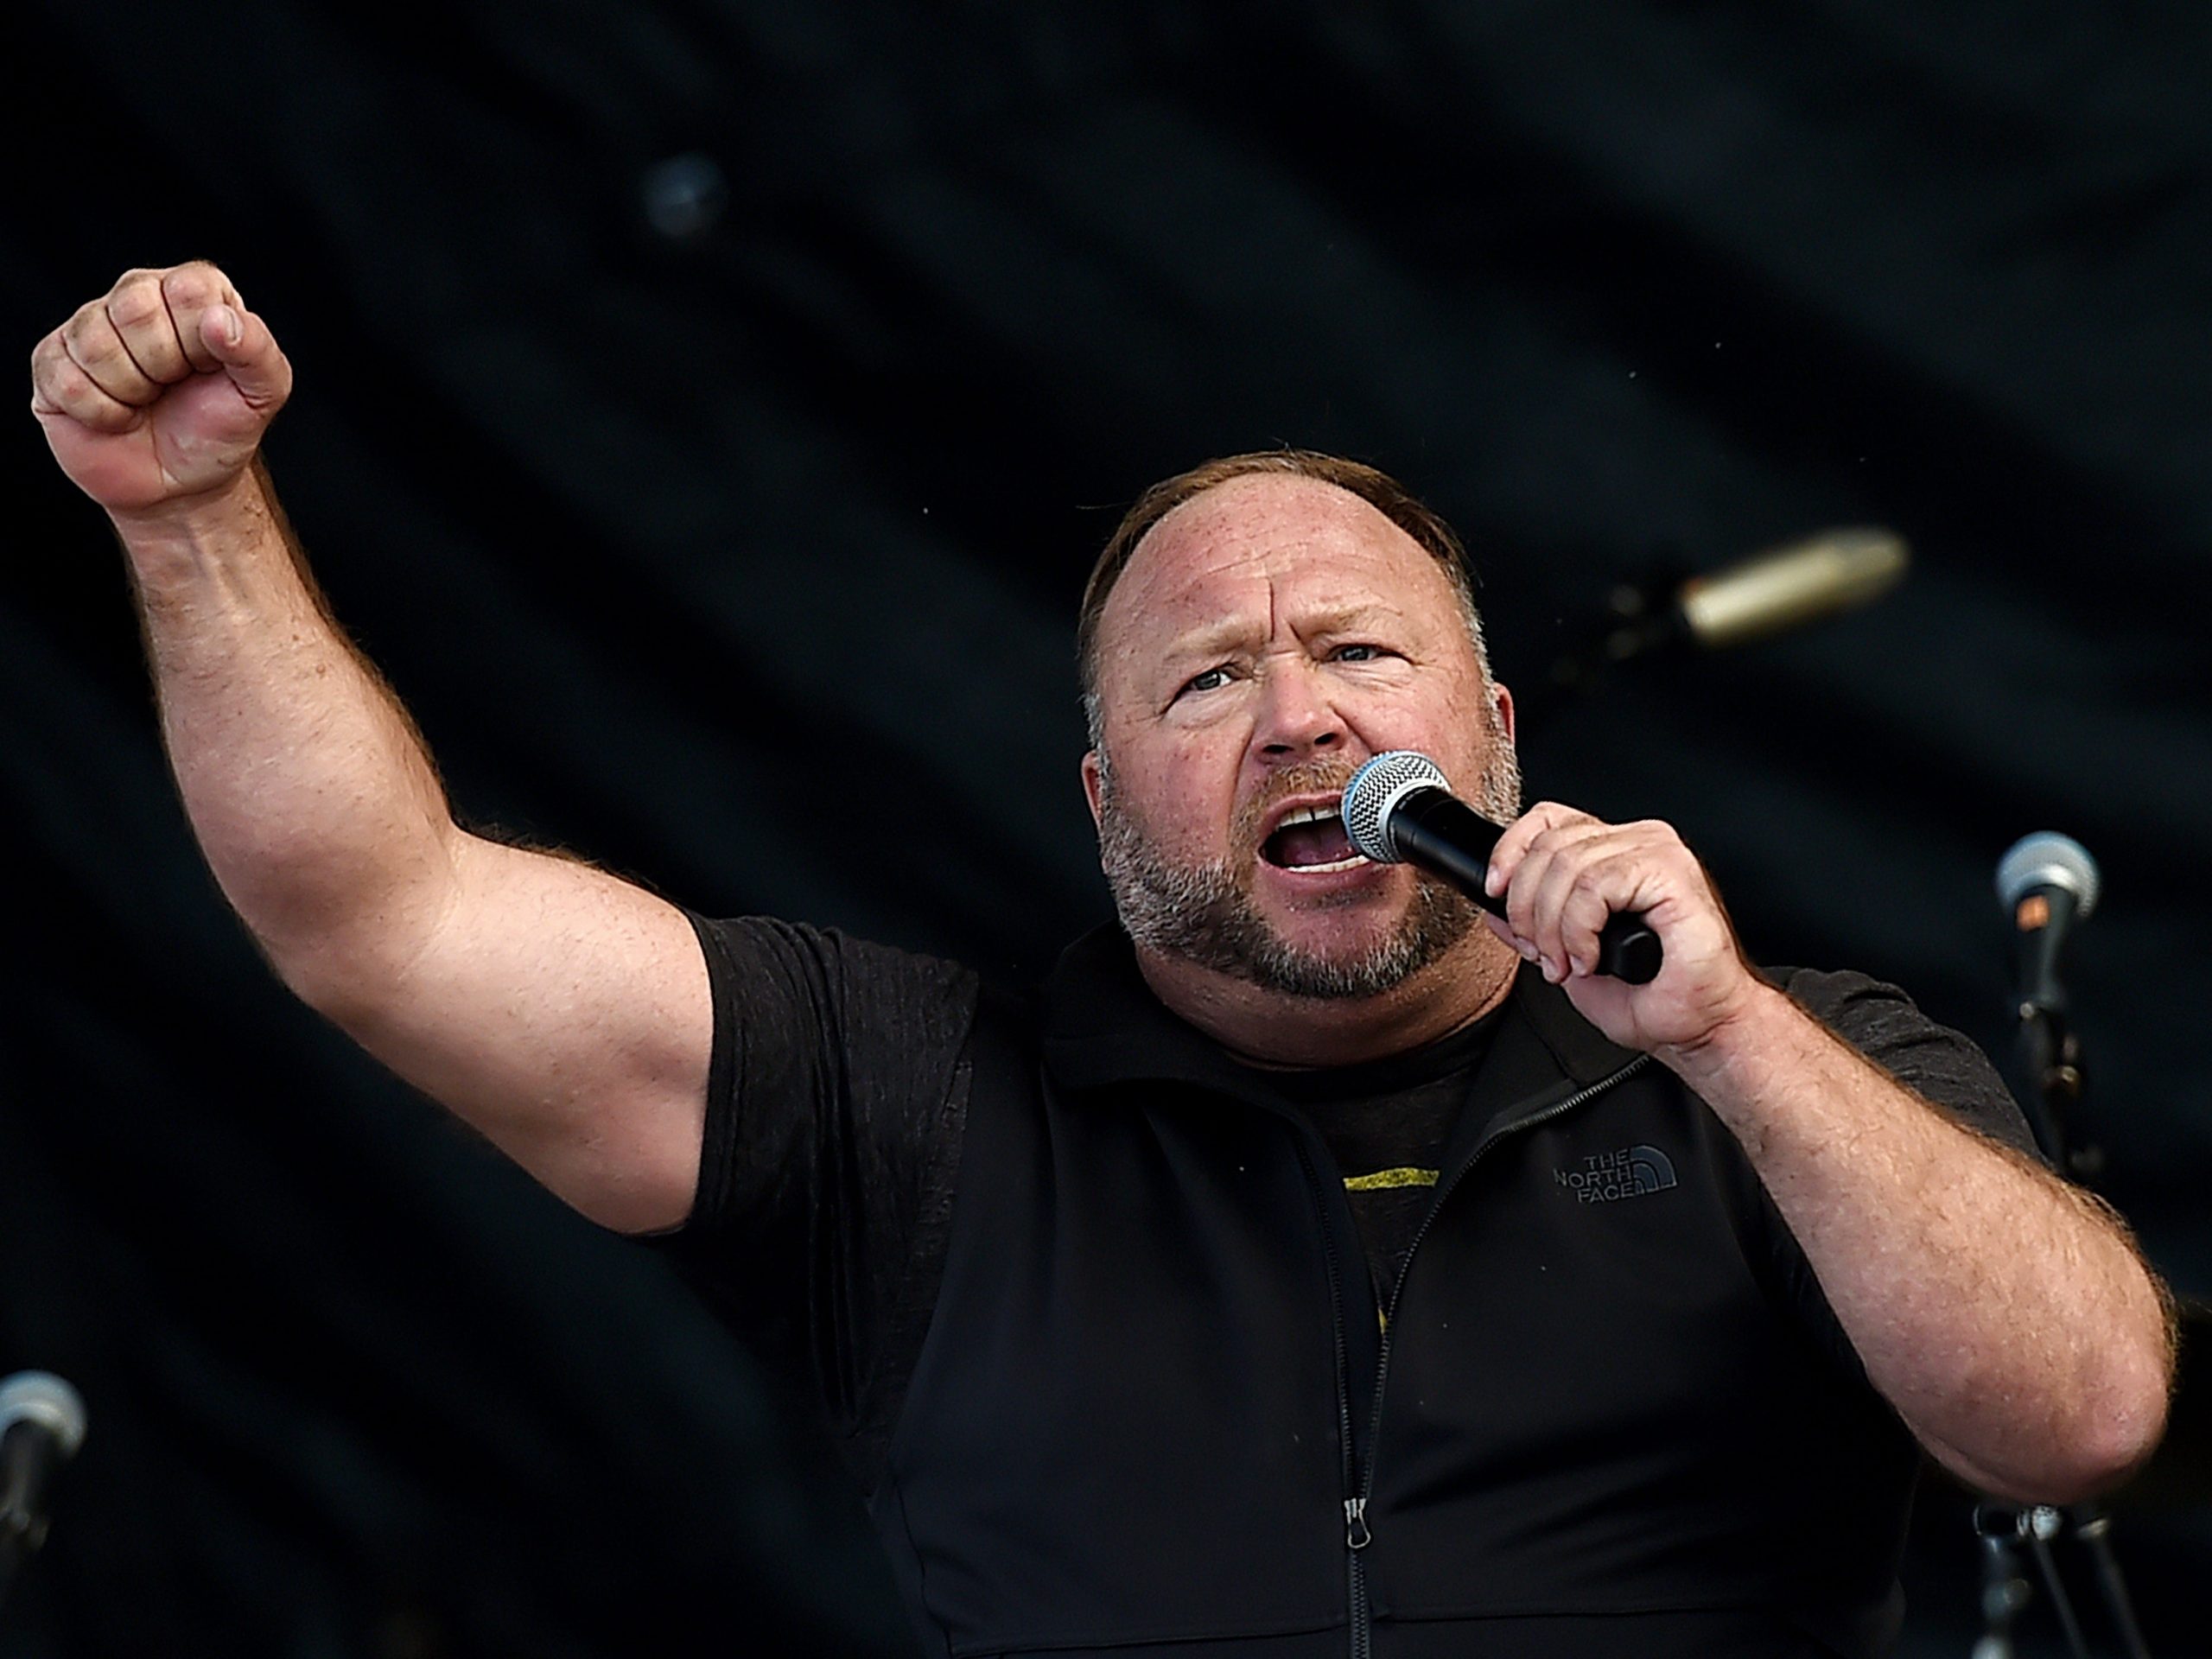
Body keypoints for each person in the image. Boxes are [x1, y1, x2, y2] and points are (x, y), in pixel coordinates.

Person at [32, 263, 2174, 1658]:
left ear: (1499, 738)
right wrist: (191, 519)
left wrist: (1721, 1036)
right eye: (1203, 682)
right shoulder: (907, 1102)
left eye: (1355, 653)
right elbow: (377, 911)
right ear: (1094, 801)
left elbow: (2079, 1416)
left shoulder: (1786, 1071)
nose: (1299, 720)